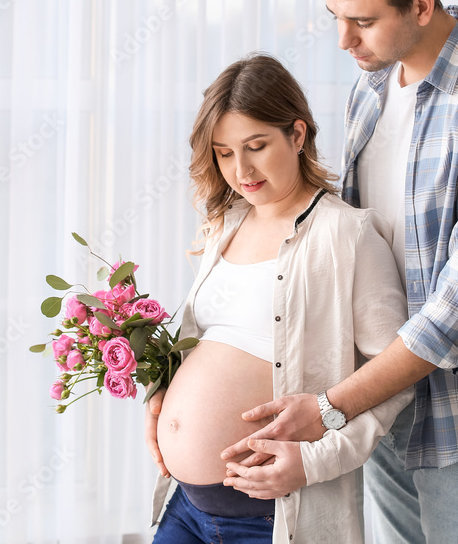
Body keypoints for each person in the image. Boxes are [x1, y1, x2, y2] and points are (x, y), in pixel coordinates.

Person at [218, 0, 458, 543]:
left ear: (423, 4)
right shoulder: (371, 89)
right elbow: (347, 239)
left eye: (365, 21)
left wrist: (330, 406)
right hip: (385, 402)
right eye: (336, 19)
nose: (345, 42)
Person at [146, 53, 414, 543]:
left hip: (267, 519)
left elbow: (395, 381)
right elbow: (207, 346)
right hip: (184, 507)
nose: (240, 169)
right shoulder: (225, 225)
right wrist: (161, 397)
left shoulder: (346, 236)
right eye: (224, 152)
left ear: (297, 134)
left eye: (255, 146)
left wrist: (311, 463)